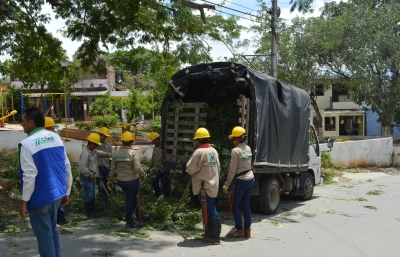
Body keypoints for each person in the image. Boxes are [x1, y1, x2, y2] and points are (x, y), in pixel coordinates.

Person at [19, 107, 72, 257]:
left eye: (23, 121)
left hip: (39, 198)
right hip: (56, 195)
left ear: (31, 122)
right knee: (53, 231)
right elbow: (66, 166)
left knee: (44, 237)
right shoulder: (55, 138)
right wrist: (66, 192)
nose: (22, 125)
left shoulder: (27, 144)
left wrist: (24, 202)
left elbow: (29, 176)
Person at [186, 127, 221, 245]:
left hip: (204, 187)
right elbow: (218, 168)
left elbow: (190, 168)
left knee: (210, 210)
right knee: (208, 209)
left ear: (199, 140)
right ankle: (209, 233)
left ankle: (215, 237)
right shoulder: (213, 151)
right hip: (212, 185)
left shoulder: (199, 152)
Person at [108, 131, 147, 228]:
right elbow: (137, 168)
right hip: (131, 181)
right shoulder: (133, 152)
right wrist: (144, 174)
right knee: (130, 200)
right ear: (131, 142)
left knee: (133, 198)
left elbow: (112, 168)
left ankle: (137, 215)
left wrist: (110, 179)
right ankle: (129, 222)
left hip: (120, 181)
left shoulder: (116, 153)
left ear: (122, 142)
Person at [223, 126, 255, 239]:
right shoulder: (248, 148)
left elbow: (232, 170)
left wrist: (227, 184)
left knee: (235, 206)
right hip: (250, 179)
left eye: (233, 139)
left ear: (237, 139)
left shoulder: (235, 151)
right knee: (246, 205)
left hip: (241, 181)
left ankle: (240, 230)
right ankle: (247, 230)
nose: (232, 141)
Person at [44, 117, 70, 226]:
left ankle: (59, 218)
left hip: (55, 174)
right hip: (52, 175)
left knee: (56, 196)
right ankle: (58, 218)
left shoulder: (55, 139)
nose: (54, 131)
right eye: (52, 128)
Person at [79, 133, 111, 218]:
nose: (97, 146)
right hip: (87, 177)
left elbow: (99, 153)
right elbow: (82, 167)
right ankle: (89, 213)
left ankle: (92, 211)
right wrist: (89, 174)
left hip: (91, 176)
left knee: (92, 194)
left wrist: (108, 154)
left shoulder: (92, 150)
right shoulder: (85, 153)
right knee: (88, 194)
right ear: (92, 143)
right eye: (96, 144)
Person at [149, 131, 170, 198]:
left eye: (154, 141)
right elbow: (153, 158)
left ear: (158, 139)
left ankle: (166, 197)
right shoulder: (155, 148)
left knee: (165, 185)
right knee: (153, 182)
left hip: (163, 170)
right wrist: (149, 168)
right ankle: (158, 194)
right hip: (156, 169)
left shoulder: (164, 147)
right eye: (152, 142)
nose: (153, 143)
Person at [97, 127, 112, 199]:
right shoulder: (95, 144)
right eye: (104, 136)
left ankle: (107, 199)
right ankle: (102, 200)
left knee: (107, 185)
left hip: (107, 167)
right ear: (100, 135)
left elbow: (110, 156)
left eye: (106, 136)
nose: (105, 138)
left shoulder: (108, 144)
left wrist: (112, 167)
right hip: (98, 168)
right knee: (101, 186)